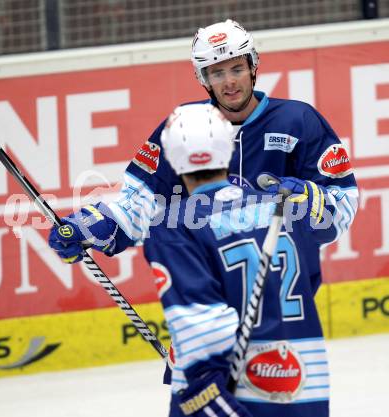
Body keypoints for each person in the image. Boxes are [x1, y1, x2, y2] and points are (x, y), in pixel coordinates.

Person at [48, 18, 358, 263]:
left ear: (253, 67)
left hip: (280, 287)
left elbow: (342, 202)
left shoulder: (298, 121)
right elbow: (141, 199)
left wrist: (312, 202)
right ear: (203, 79)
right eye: (217, 73)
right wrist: (91, 225)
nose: (230, 81)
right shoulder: (184, 126)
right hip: (209, 286)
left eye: (237, 68)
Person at [142, 103, 332, 417]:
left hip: (227, 392)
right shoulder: (285, 209)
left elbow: (199, 321)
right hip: (303, 381)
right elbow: (310, 280)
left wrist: (201, 386)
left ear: (172, 158)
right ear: (228, 148)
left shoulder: (173, 225)